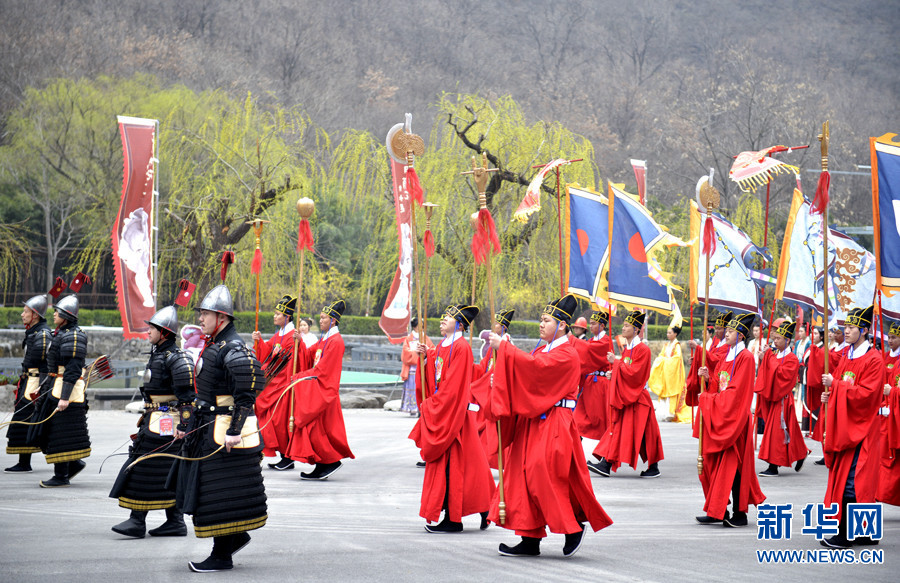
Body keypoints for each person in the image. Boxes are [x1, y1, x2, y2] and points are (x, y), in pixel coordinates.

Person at [482, 294, 613, 558]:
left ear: (562, 325)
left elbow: (536, 370)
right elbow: (527, 376)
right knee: (522, 476)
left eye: (546, 320)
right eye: (541, 320)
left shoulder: (567, 354)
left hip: (555, 423)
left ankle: (571, 528)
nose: (540, 325)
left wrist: (504, 349)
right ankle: (529, 538)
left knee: (545, 477)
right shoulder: (543, 349)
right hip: (533, 422)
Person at [173, 285, 267, 572]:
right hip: (208, 430)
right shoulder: (215, 345)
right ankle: (233, 539)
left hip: (224, 435)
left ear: (221, 317)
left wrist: (235, 430)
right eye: (201, 313)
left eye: (205, 313)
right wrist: (187, 425)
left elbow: (248, 393)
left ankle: (222, 555)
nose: (200, 318)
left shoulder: (233, 348)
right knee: (211, 492)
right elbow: (204, 394)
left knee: (218, 494)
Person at [109, 305, 194, 538]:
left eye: (153, 329)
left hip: (168, 422)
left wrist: (184, 426)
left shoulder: (177, 359)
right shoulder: (158, 354)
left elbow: (187, 398)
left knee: (145, 466)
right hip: (153, 419)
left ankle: (139, 521)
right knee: (160, 469)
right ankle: (173, 521)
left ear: (164, 333)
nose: (148, 332)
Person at [410, 304, 495, 533]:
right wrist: (425, 358)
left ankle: (454, 518)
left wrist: (434, 406)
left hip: (453, 414)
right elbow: (436, 378)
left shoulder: (461, 348)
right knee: (471, 466)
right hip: (448, 411)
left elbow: (454, 386)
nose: (441, 320)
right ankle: (484, 505)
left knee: (455, 468)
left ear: (459, 323)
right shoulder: (441, 346)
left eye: (446, 318)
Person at [819, 305, 885, 548]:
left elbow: (867, 396)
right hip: (848, 426)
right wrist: (830, 394)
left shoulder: (874, 359)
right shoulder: (847, 355)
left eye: (850, 327)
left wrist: (835, 386)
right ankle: (867, 533)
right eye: (845, 327)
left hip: (863, 428)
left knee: (854, 480)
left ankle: (846, 534)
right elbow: (836, 383)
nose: (845, 331)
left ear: (864, 330)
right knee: (855, 479)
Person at [695, 312, 765, 527]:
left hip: (735, 421)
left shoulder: (744, 357)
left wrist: (707, 399)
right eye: (727, 330)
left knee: (734, 469)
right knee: (715, 465)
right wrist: (708, 379)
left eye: (732, 331)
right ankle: (719, 509)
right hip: (722, 417)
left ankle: (739, 513)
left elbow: (735, 394)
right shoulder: (728, 355)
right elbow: (719, 384)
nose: (727, 333)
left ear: (742, 335)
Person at [589, 310, 664, 478]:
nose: (623, 328)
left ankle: (608, 464)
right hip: (630, 397)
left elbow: (635, 374)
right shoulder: (627, 349)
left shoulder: (643, 350)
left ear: (636, 329)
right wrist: (613, 372)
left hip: (638, 398)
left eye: (627, 326)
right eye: (623, 325)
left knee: (645, 434)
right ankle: (607, 463)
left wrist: (615, 363)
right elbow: (624, 371)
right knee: (628, 430)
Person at [286, 299, 355, 480]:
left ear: (333, 320)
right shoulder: (325, 339)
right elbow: (309, 354)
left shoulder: (336, 341)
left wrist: (300, 377)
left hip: (325, 392)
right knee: (316, 430)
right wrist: (299, 342)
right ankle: (322, 463)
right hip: (318, 389)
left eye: (324, 318)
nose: (321, 320)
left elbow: (323, 371)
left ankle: (329, 461)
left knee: (319, 430)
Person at [30, 294, 90, 488]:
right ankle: (73, 464)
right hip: (55, 386)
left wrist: (64, 398)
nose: (54, 314)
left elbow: (71, 370)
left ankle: (61, 475)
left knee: (60, 433)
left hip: (68, 392)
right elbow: (55, 367)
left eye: (57, 312)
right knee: (48, 430)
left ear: (66, 315)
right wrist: (44, 384)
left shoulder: (74, 335)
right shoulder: (62, 333)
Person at [5, 295, 52, 473]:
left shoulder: (43, 334)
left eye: (26, 312)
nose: (22, 314)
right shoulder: (34, 332)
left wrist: (42, 387)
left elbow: (46, 366)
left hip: (35, 383)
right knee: (23, 421)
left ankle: (70, 463)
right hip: (28, 381)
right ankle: (24, 462)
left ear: (35, 315)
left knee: (35, 422)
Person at [754, 320, 807, 477]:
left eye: (778, 339)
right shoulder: (775, 354)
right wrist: (764, 359)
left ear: (787, 340)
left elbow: (782, 377)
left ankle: (773, 465)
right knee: (791, 430)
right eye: (774, 338)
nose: (774, 341)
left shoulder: (791, 358)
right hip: (773, 397)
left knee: (777, 432)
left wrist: (767, 358)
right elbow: (768, 372)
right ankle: (802, 451)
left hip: (783, 399)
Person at [252, 295, 299, 471]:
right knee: (272, 420)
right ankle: (279, 454)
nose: (274, 316)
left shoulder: (290, 337)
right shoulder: (279, 334)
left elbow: (286, 363)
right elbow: (267, 353)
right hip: (273, 382)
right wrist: (259, 341)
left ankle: (287, 456)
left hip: (282, 384)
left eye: (278, 314)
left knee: (280, 422)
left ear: (287, 317)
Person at [471, 308, 514, 468]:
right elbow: (483, 368)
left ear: (503, 327)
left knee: (496, 430)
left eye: (495, 323)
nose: (492, 326)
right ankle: (482, 460)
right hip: (486, 392)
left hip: (497, 394)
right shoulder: (492, 348)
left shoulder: (506, 346)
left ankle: (501, 461)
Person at [809, 325, 850, 465]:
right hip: (830, 389)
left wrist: (819, 352)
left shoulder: (846, 350)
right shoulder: (834, 348)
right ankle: (826, 450)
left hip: (838, 389)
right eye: (833, 331)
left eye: (837, 332)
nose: (833, 334)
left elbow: (832, 362)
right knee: (825, 421)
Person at [570, 312, 613, 444]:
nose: (591, 326)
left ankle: (606, 456)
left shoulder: (606, 341)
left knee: (603, 420)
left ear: (602, 325)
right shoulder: (590, 341)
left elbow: (588, 351)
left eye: (594, 323)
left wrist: (571, 339)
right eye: (591, 323)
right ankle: (574, 447)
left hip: (601, 385)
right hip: (589, 384)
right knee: (578, 418)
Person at [685, 311, 732, 411]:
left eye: (719, 329)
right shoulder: (716, 342)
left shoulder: (727, 346)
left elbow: (715, 360)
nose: (716, 331)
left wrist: (698, 348)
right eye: (716, 328)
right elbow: (709, 357)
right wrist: (696, 360)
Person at [878, 321, 900, 508]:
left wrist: (891, 392)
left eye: (894, 337)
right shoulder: (884, 357)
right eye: (889, 337)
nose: (890, 340)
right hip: (887, 414)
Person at [648, 323, 689, 423]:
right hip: (666, 373)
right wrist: (662, 359)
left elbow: (676, 359)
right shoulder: (666, 345)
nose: (668, 334)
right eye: (667, 332)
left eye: (670, 333)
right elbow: (661, 355)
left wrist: (664, 360)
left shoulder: (677, 346)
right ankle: (664, 413)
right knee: (664, 391)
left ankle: (671, 413)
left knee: (671, 392)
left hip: (673, 374)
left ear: (675, 334)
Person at [400, 317, 434, 417]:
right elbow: (405, 353)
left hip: (423, 367)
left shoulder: (425, 338)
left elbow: (432, 349)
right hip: (412, 368)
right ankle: (412, 407)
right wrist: (416, 354)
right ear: (415, 326)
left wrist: (426, 354)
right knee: (412, 387)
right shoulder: (408, 339)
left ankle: (421, 407)